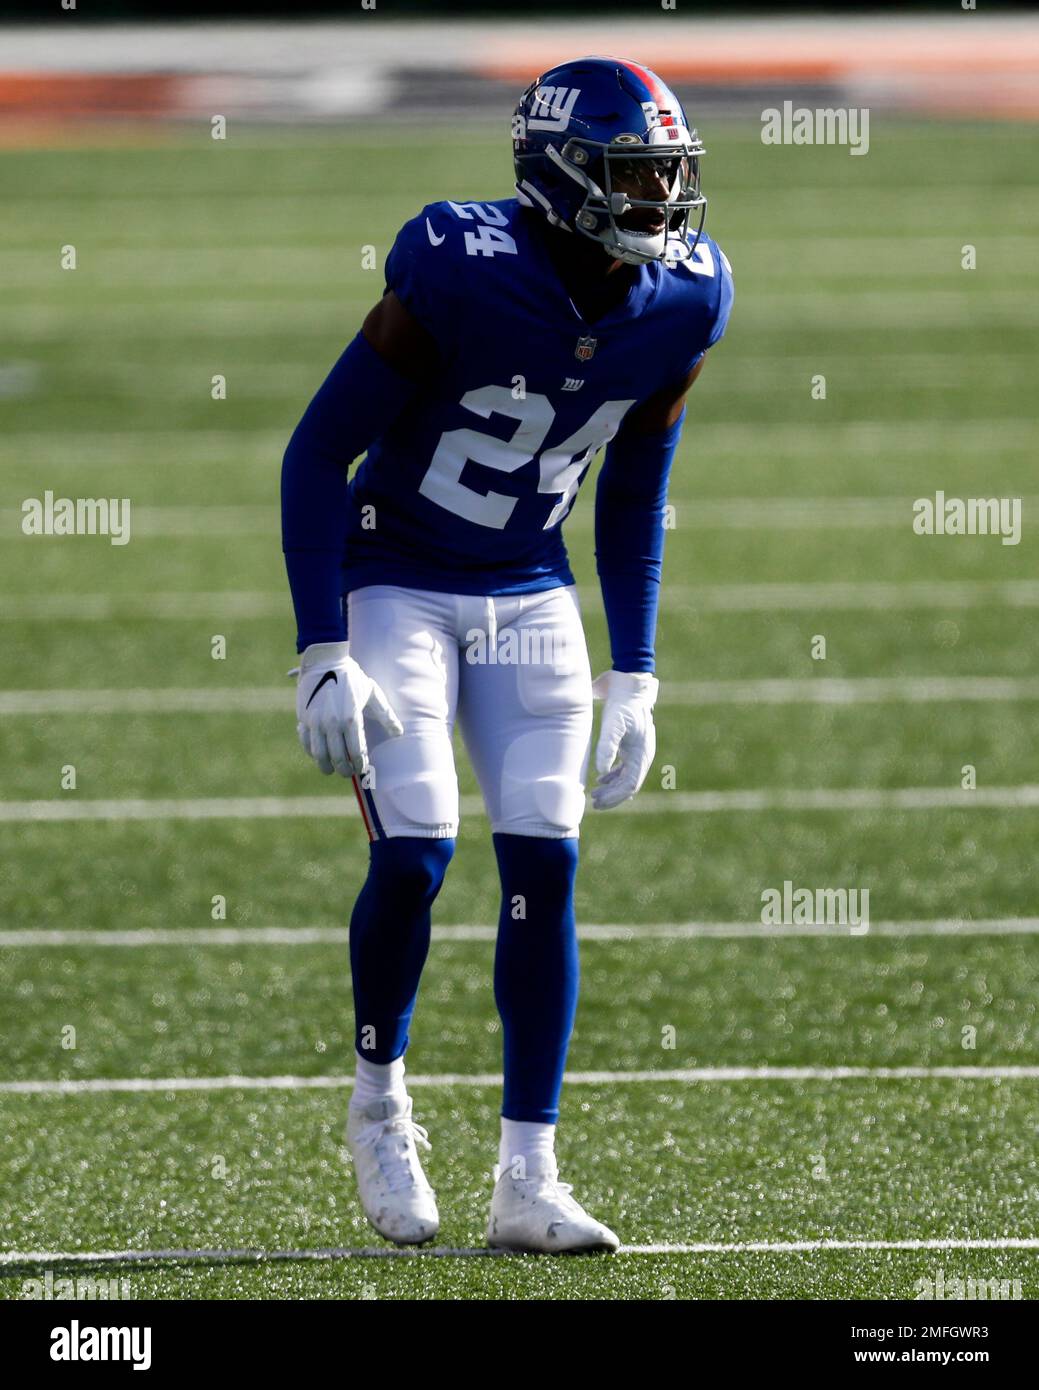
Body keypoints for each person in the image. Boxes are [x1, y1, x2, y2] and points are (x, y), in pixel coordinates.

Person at [281, 56, 734, 1254]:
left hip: (532, 591)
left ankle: (525, 1178)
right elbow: (318, 452)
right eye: (634, 177)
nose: (660, 203)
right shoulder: (455, 265)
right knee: (419, 851)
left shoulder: (688, 294)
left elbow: (635, 482)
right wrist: (319, 643)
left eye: (668, 176)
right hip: (400, 580)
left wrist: (634, 666)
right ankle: (380, 1100)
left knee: (548, 865)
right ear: (559, 175)